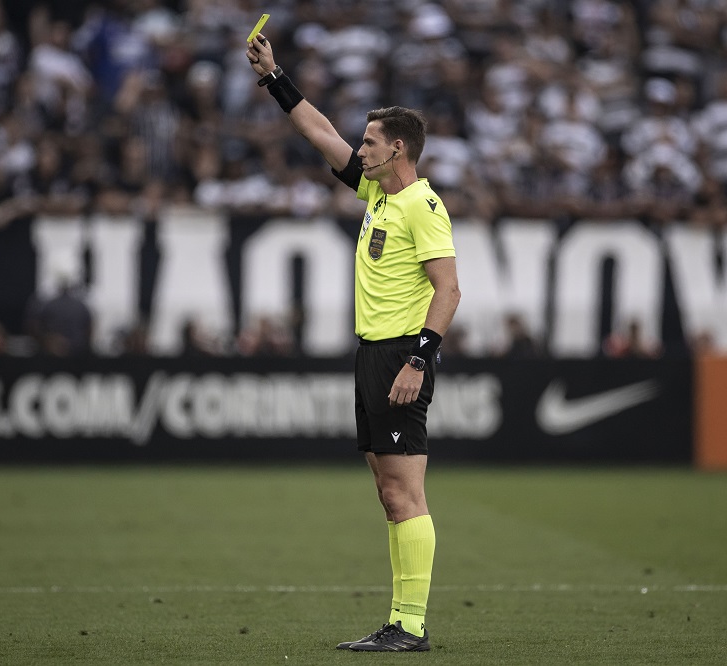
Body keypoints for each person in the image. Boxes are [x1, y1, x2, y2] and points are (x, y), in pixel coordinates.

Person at [246, 34, 461, 652]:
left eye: (369, 141)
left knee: (405, 491)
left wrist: (420, 358)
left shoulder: (421, 205)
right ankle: (401, 622)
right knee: (388, 490)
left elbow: (447, 289)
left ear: (397, 149)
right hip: (374, 354)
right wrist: (273, 76)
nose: (358, 147)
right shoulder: (377, 192)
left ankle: (411, 625)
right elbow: (317, 132)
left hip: (401, 355)